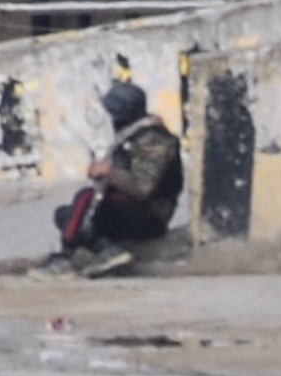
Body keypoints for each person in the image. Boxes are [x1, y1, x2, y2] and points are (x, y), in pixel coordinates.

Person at [54, 80, 185, 276]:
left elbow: (143, 187)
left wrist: (109, 172)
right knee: (67, 214)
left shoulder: (154, 139)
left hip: (151, 213)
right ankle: (105, 249)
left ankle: (67, 255)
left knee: (85, 198)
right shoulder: (131, 136)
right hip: (130, 207)